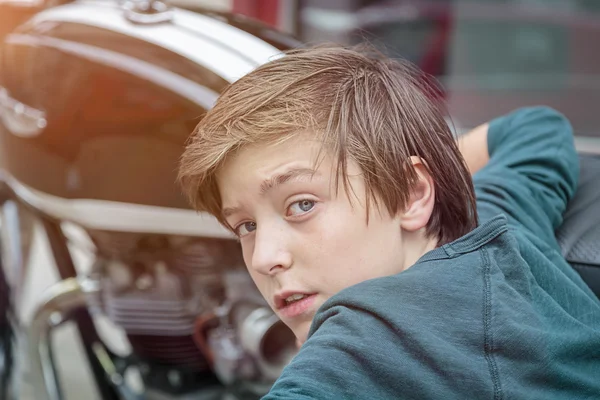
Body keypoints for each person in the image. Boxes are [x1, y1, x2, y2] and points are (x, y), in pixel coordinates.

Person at [178, 44, 600, 399]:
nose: (265, 258)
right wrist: (419, 176)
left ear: (413, 193)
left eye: (301, 205)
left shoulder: (368, 339)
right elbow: (535, 129)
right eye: (246, 226)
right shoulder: (497, 218)